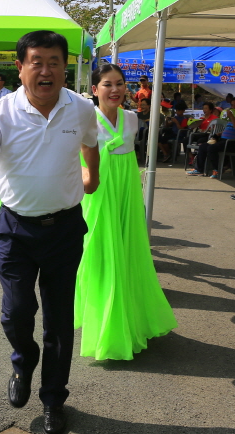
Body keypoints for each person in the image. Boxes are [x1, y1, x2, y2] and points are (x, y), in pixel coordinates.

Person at [0, 31, 99, 434]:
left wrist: (91, 176)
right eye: (37, 62)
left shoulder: (81, 109)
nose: (46, 70)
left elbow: (90, 145)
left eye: (54, 62)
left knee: (59, 320)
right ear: (21, 67)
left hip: (64, 228)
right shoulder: (0, 111)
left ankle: (53, 401)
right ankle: (23, 360)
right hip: (15, 228)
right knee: (16, 312)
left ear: (65, 67)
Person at [74, 63, 176, 360]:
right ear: (95, 90)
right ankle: (103, 319)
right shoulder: (85, 118)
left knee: (128, 249)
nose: (115, 89)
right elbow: (73, 156)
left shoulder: (131, 119)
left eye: (119, 83)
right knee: (99, 250)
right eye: (107, 84)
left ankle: (129, 315)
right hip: (98, 190)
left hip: (127, 190)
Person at [188, 97, 235, 178]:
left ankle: (217, 169)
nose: (233, 107)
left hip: (233, 143)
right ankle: (199, 169)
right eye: (232, 105)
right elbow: (230, 129)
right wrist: (221, 133)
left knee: (212, 148)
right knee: (203, 146)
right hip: (223, 140)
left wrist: (232, 117)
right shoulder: (231, 118)